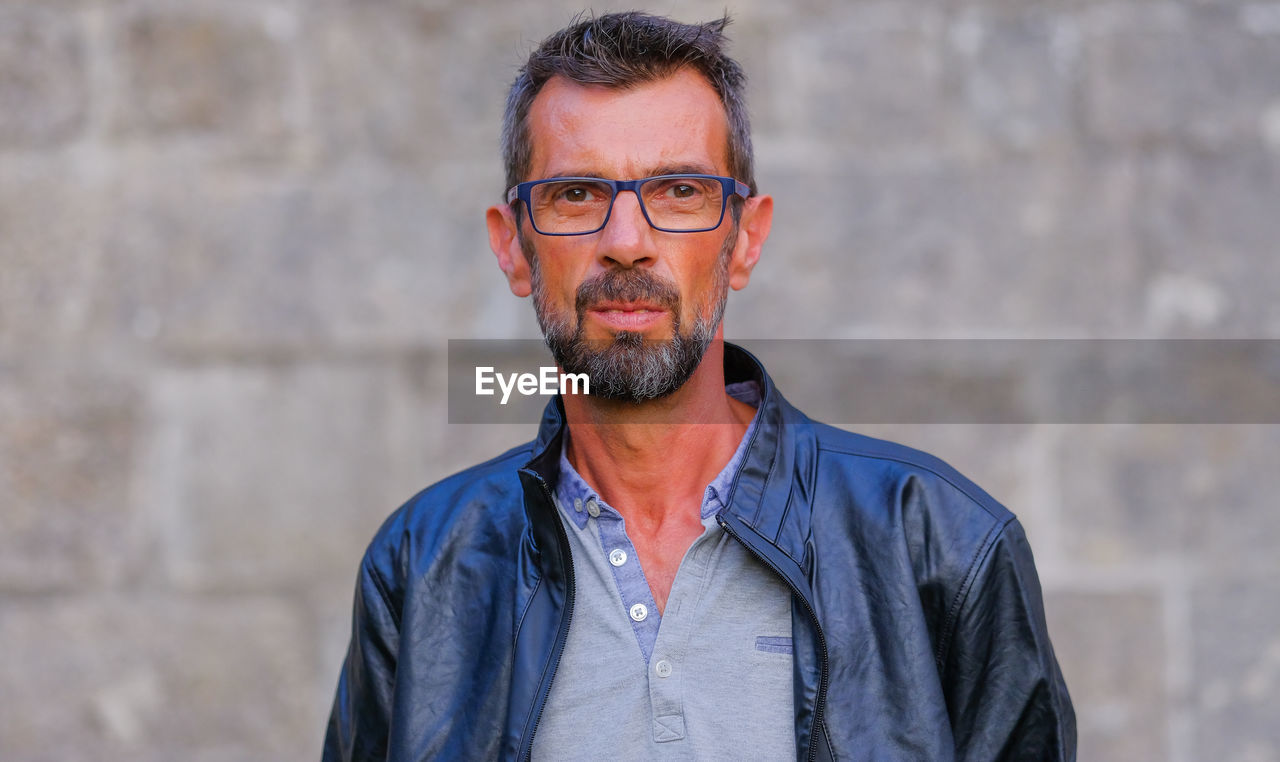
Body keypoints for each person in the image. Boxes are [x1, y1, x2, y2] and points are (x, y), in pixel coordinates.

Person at [323, 12, 1075, 761]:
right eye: (577, 195)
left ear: (744, 239)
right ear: (512, 246)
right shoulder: (423, 566)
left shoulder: (942, 548)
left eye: (679, 190)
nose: (626, 243)